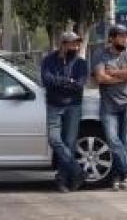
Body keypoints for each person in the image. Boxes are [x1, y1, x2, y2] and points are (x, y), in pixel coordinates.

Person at [94, 24, 127, 191]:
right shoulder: (100, 54)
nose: (126, 39)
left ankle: (119, 176)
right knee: (113, 140)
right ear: (112, 38)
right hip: (109, 105)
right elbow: (100, 78)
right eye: (121, 36)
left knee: (125, 142)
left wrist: (112, 73)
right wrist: (123, 75)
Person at [41, 31, 88, 192]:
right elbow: (47, 80)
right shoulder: (49, 61)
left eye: (77, 43)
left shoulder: (81, 63)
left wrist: (61, 82)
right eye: (72, 43)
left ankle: (63, 179)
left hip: (74, 105)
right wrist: (68, 82)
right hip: (54, 104)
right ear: (63, 44)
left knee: (69, 143)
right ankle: (77, 171)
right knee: (54, 139)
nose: (76, 46)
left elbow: (80, 84)